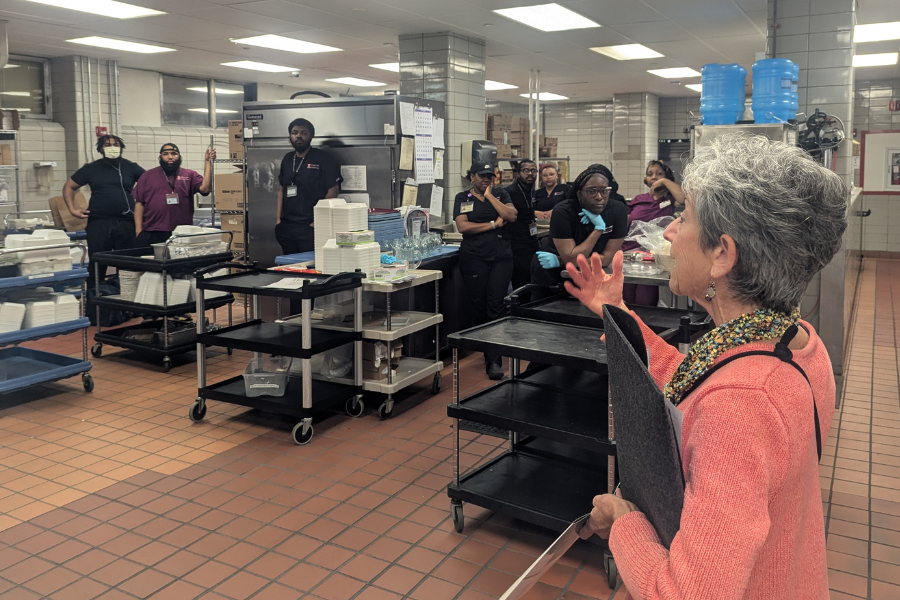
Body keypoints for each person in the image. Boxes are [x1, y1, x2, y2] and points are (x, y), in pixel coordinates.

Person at [567, 134, 846, 600]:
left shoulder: (741, 405)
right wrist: (616, 313)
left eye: (685, 217)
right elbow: (694, 376)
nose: (670, 232)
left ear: (723, 254)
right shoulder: (794, 345)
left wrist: (623, 522)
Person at [454, 162, 518, 380]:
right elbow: (463, 227)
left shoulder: (500, 194)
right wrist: (492, 225)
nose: (486, 179)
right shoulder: (463, 198)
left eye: (489, 176)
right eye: (482, 176)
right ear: (472, 176)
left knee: (496, 306)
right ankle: (486, 348)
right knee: (479, 306)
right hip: (474, 258)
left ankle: (494, 361)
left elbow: (511, 216)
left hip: (501, 258)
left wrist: (491, 197)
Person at [530, 166, 628, 288]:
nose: (599, 197)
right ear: (579, 193)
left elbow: (607, 259)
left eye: (604, 191)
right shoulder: (563, 211)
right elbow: (572, 259)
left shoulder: (617, 210)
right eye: (591, 191)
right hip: (552, 274)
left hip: (578, 270)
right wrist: (598, 229)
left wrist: (561, 261)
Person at [63, 135, 145, 271]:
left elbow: (151, 184)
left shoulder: (131, 167)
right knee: (97, 263)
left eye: (116, 144)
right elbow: (69, 186)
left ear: (121, 148)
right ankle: (95, 291)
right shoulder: (91, 169)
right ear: (101, 148)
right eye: (108, 145)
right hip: (99, 223)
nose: (112, 147)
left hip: (126, 222)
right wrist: (72, 209)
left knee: (128, 264)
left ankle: (124, 290)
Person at [622, 160, 686, 307]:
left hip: (653, 258)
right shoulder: (639, 199)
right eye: (650, 174)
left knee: (645, 300)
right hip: (629, 255)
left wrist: (664, 181)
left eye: (659, 174)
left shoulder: (671, 200)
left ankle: (645, 329)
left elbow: (683, 197)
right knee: (627, 299)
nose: (654, 177)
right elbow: (626, 222)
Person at [276, 118, 343, 255]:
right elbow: (282, 189)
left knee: (310, 267)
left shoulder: (323, 159)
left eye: (303, 133)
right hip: (287, 226)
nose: (298, 136)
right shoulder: (287, 159)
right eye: (294, 133)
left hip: (309, 226)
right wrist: (278, 220)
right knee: (288, 266)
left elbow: (333, 190)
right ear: (290, 136)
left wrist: (317, 220)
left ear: (311, 136)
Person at [132, 143, 215, 247]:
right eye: (165, 154)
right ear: (160, 157)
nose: (170, 157)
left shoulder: (189, 175)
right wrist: (138, 230)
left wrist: (208, 162)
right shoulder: (147, 176)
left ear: (179, 156)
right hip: (152, 231)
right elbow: (139, 203)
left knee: (179, 262)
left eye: (174, 153)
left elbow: (205, 189)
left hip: (181, 232)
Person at [503, 159, 539, 291]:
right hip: (516, 245)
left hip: (531, 241)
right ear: (518, 173)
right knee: (521, 283)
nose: (530, 174)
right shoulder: (509, 193)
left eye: (533, 170)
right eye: (526, 171)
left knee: (532, 280)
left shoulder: (531, 190)